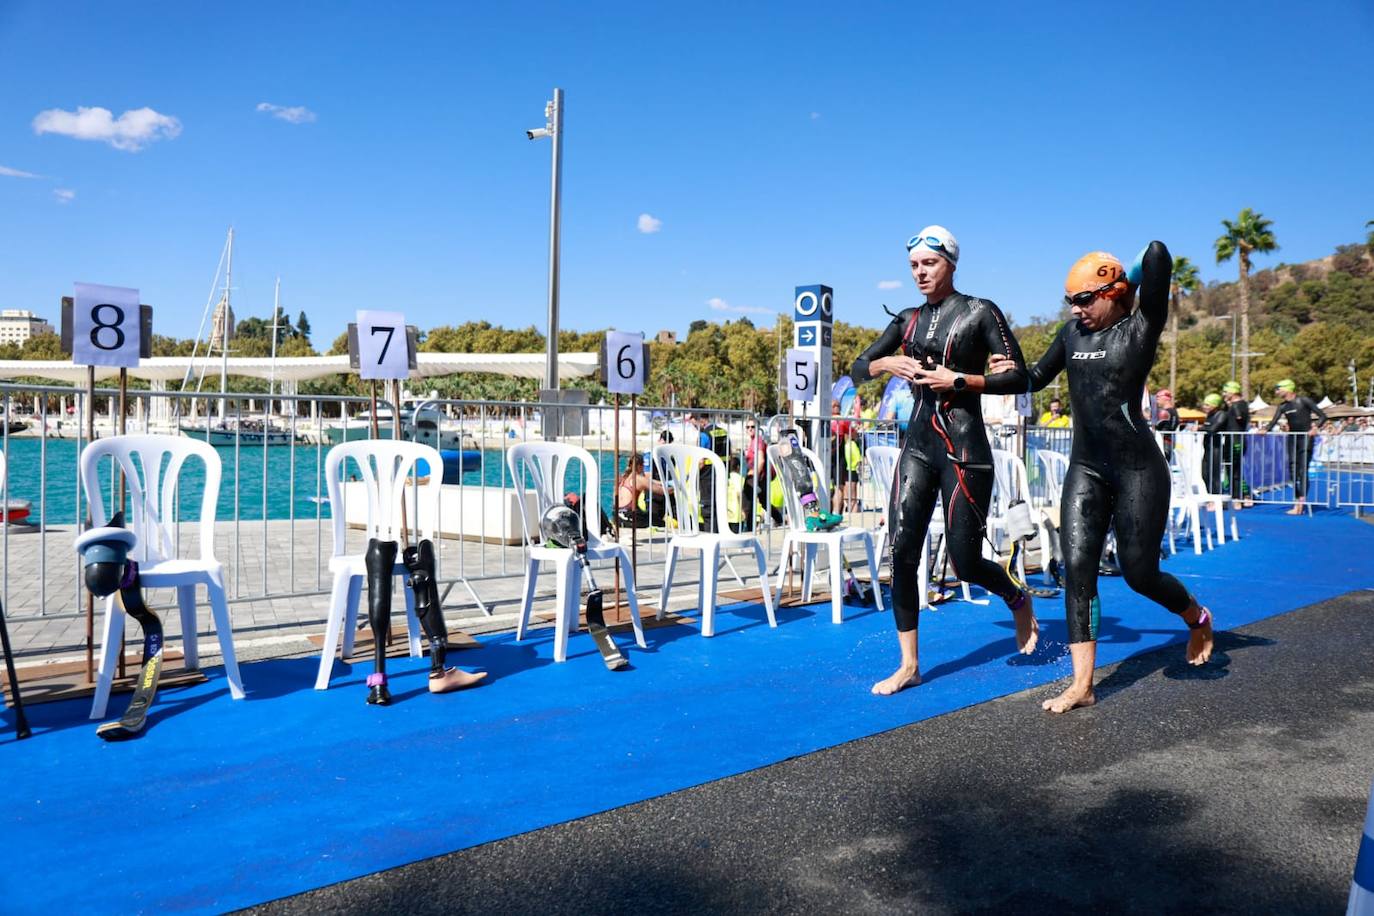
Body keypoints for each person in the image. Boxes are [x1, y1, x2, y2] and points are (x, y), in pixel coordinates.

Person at [988, 242, 1214, 713]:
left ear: (1114, 292)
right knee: (1077, 571)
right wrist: (995, 375)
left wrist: (1125, 275)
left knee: (1140, 574)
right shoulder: (1070, 335)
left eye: (1085, 298)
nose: (1076, 308)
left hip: (1138, 470)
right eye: (1070, 299)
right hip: (1086, 468)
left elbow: (1157, 256)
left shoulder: (1140, 328)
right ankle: (1083, 684)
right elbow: (1034, 379)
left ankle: (1196, 617)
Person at [851, 224, 1040, 697]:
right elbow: (857, 369)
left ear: (950, 264)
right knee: (901, 552)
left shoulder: (980, 312)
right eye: (914, 265)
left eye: (929, 263)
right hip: (918, 446)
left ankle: (1018, 599)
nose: (920, 272)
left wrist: (962, 380)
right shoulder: (907, 320)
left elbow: (1020, 377)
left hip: (965, 450)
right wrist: (884, 365)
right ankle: (909, 664)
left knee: (966, 562)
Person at [1267, 379, 1328, 515]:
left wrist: (1315, 427)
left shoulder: (1303, 400)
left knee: (1302, 470)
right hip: (1292, 439)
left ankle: (1301, 502)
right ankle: (1296, 501)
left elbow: (1323, 416)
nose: (1276, 392)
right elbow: (1273, 422)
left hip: (1306, 438)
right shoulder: (1283, 406)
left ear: (1288, 389)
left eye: (1278, 389)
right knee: (1293, 470)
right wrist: (1265, 429)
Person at [615, 454, 665, 530]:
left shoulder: (622, 478)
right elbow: (662, 491)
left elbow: (650, 481)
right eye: (643, 466)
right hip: (630, 517)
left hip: (617, 517)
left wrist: (663, 483)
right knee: (659, 522)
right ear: (639, 466)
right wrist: (676, 488)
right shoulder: (638, 479)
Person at [1222, 381, 1251, 506]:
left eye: (1225, 392)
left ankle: (1237, 499)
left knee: (1234, 471)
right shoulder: (1241, 404)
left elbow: (1239, 418)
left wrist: (1231, 407)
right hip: (1235, 439)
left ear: (1232, 392)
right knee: (1235, 470)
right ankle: (1245, 496)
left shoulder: (1237, 405)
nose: (1223, 394)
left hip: (1236, 441)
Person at [1201, 393, 1233, 497]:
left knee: (1214, 475)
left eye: (1207, 405)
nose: (1204, 407)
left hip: (1216, 449)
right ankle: (1211, 496)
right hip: (1207, 448)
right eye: (1204, 404)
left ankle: (1217, 498)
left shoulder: (1222, 414)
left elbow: (1213, 429)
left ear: (1214, 406)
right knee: (1205, 474)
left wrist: (1199, 428)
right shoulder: (1209, 415)